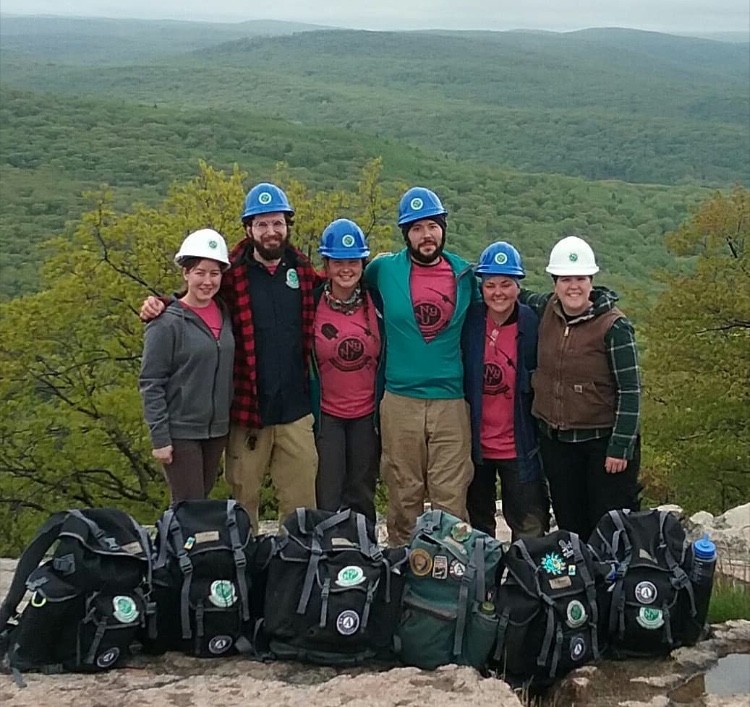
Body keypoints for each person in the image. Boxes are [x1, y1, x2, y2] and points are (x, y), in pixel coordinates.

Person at [140, 183, 320, 531]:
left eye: (277, 223)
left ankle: (297, 573)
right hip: (245, 413)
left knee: (301, 507)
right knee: (242, 504)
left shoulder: (302, 269)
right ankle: (244, 571)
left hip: (296, 411)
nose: (271, 232)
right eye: (262, 224)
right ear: (248, 229)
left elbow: (339, 285)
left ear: (287, 226)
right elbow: (196, 297)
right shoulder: (231, 274)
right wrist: (162, 303)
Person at [364, 187, 477, 546]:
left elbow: (506, 299)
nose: (425, 235)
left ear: (443, 227)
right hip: (399, 400)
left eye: (432, 225)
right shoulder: (383, 269)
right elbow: (347, 286)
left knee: (451, 497)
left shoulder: (465, 274)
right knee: (402, 494)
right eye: (415, 228)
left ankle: (452, 573)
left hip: (450, 402)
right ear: (405, 234)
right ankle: (402, 570)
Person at [521, 235, 642, 541]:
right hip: (558, 443)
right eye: (565, 279)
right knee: (569, 525)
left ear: (591, 281)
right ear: (555, 283)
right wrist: (472, 275)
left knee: (608, 527)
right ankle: (577, 587)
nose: (572, 286)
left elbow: (630, 391)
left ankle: (611, 586)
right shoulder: (547, 308)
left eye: (579, 279)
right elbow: (513, 293)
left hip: (601, 445)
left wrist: (620, 447)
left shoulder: (614, 326)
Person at [139, 229, 234, 504]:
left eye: (214, 273)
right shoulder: (166, 322)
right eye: (199, 272)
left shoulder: (225, 313)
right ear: (185, 274)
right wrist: (160, 437)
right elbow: (151, 382)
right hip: (181, 431)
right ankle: (175, 548)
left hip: (216, 431)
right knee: (188, 506)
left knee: (199, 502)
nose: (207, 281)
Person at [463, 242, 549, 541]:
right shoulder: (470, 321)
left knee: (530, 527)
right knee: (478, 529)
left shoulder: (533, 323)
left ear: (518, 285)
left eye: (506, 284)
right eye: (490, 285)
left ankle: (524, 583)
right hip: (476, 447)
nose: (498, 292)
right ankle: (481, 584)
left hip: (520, 445)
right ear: (481, 288)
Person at [310, 219, 385, 522]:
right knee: (326, 493)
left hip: (367, 414)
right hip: (327, 414)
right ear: (326, 264)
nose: (346, 269)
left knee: (362, 491)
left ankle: (363, 555)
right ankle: (327, 558)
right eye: (337, 261)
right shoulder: (310, 301)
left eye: (353, 261)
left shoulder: (376, 299)